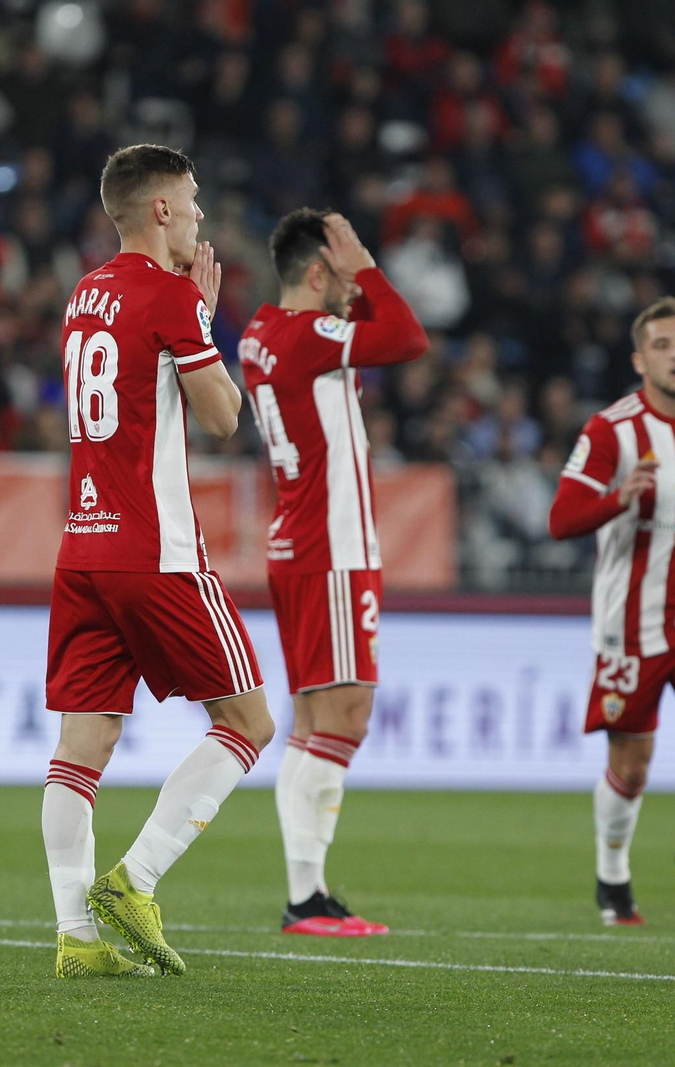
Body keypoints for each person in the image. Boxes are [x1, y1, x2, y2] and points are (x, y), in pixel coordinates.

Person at [41, 144, 275, 978]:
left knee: (82, 744)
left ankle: (76, 939)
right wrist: (200, 322)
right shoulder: (172, 295)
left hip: (83, 547)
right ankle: (135, 879)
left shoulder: (83, 294)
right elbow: (223, 418)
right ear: (162, 209)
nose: (202, 215)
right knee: (249, 722)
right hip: (157, 551)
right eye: (194, 199)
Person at [239, 209, 428, 936]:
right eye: (342, 276)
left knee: (316, 721)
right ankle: (305, 896)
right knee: (345, 717)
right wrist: (370, 271)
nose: (354, 291)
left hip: (300, 543)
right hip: (333, 547)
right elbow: (407, 338)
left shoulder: (261, 332)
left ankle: (307, 893)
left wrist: (351, 278)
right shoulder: (309, 335)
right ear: (317, 274)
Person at [548, 297, 675, 928]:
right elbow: (561, 519)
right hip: (629, 628)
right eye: (662, 345)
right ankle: (612, 876)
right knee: (632, 766)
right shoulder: (611, 430)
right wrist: (618, 498)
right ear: (639, 360)